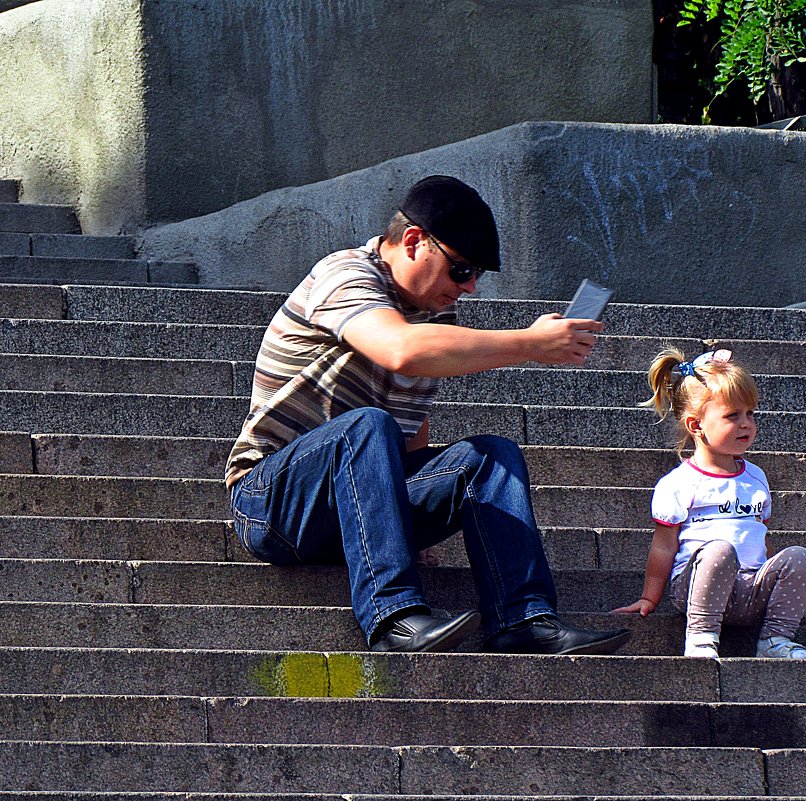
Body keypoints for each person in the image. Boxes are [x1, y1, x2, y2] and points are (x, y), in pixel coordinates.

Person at [225, 175, 629, 656]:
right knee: (367, 425)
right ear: (414, 241)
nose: (471, 288)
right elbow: (401, 351)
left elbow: (412, 426)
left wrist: (403, 528)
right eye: (461, 270)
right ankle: (393, 616)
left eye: (477, 274)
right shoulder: (345, 274)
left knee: (489, 457)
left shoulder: (434, 319)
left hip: (353, 506)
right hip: (272, 504)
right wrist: (529, 343)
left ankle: (522, 619)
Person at [613, 348, 806, 659]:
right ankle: (701, 637)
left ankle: (775, 640)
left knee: (800, 558)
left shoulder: (756, 477)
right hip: (696, 588)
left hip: (750, 590)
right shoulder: (679, 483)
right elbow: (664, 546)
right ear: (696, 426)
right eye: (732, 416)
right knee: (719, 550)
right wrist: (649, 598)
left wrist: (772, 571)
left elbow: (759, 535)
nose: (746, 424)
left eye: (750, 413)